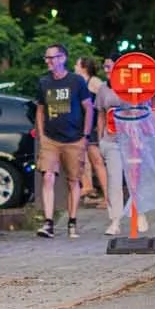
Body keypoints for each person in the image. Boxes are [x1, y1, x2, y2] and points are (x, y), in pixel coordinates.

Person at [33, 43, 92, 239]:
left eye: (51, 57)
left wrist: (85, 135)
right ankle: (48, 223)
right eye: (46, 58)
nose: (48, 61)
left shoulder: (76, 81)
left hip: (74, 139)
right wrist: (41, 134)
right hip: (50, 139)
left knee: (73, 180)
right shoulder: (44, 83)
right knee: (48, 176)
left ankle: (72, 222)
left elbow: (88, 108)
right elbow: (40, 110)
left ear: (62, 58)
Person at [91, 55, 130, 236]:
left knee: (134, 181)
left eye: (109, 66)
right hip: (111, 140)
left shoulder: (131, 86)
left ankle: (139, 213)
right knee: (114, 181)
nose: (106, 70)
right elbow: (100, 115)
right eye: (105, 67)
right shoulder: (103, 89)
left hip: (130, 141)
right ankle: (115, 220)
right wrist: (100, 139)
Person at [74, 59, 111, 213]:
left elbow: (105, 98)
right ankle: (89, 188)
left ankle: (109, 198)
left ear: (84, 67)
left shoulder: (94, 82)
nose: (74, 67)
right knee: (86, 159)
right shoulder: (80, 82)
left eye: (77, 64)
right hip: (84, 128)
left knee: (97, 161)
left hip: (94, 127)